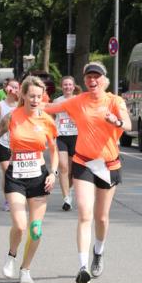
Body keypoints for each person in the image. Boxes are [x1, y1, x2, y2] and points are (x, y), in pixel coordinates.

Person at [45, 61, 131, 283]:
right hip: (83, 163)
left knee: (101, 217)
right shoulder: (78, 101)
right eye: (89, 77)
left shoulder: (115, 101)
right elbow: (47, 109)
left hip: (109, 165)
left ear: (105, 80)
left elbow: (129, 124)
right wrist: (27, 101)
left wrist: (117, 121)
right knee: (84, 213)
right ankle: (82, 267)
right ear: (84, 81)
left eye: (97, 77)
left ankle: (98, 252)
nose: (93, 81)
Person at [0, 75, 58, 283]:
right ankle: (11, 255)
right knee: (20, 225)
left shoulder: (46, 120)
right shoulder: (12, 117)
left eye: (39, 96)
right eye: (32, 96)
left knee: (35, 230)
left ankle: (25, 269)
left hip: (39, 176)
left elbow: (54, 150)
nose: (36, 100)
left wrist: (53, 174)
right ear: (23, 95)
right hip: (16, 175)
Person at [0, 77, 20, 211]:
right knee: (8, 172)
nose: (13, 89)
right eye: (11, 86)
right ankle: (8, 200)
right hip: (3, 143)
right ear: (6, 88)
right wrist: (2, 124)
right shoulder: (0, 105)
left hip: (18, 144)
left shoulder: (22, 106)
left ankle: (17, 197)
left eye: (16, 87)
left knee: (17, 172)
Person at [53, 76, 80, 211]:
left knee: (72, 171)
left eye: (70, 85)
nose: (67, 87)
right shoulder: (57, 101)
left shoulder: (79, 101)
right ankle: (66, 198)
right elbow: (51, 118)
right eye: (65, 85)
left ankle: (69, 192)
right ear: (61, 86)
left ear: (73, 87)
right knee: (63, 167)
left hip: (76, 137)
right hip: (61, 136)